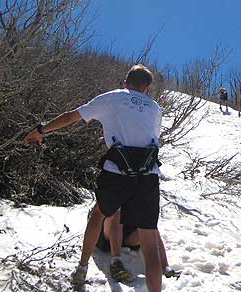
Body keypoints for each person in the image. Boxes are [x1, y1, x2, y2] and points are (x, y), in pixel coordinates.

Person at [24, 64, 163, 292]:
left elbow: (72, 116)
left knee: (99, 214)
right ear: (147, 88)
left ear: (125, 82)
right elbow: (152, 139)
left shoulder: (113, 98)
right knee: (149, 243)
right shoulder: (155, 108)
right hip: (148, 176)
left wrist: (41, 130)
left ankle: (81, 269)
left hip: (116, 171)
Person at [96, 213, 181, 279]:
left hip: (127, 236)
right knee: (116, 214)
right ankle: (116, 263)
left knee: (150, 224)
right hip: (106, 233)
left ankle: (165, 266)